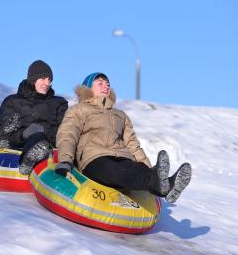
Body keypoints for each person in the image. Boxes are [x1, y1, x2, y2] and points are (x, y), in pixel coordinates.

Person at [55, 72, 192, 203]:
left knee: (136, 168)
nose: (106, 86)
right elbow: (68, 134)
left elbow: (132, 144)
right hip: (94, 158)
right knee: (117, 171)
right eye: (100, 83)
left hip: (121, 156)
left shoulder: (120, 115)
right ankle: (157, 183)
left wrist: (150, 169)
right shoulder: (79, 110)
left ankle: (165, 184)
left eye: (108, 84)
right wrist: (65, 160)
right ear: (88, 88)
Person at [0, 60, 68, 175]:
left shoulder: (59, 102)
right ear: (33, 80)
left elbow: (62, 128)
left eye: (49, 80)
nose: (47, 83)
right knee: (11, 126)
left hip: (46, 142)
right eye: (43, 79)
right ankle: (13, 146)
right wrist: (24, 134)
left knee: (39, 136)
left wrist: (43, 131)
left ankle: (29, 160)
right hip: (17, 141)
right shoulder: (12, 101)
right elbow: (4, 123)